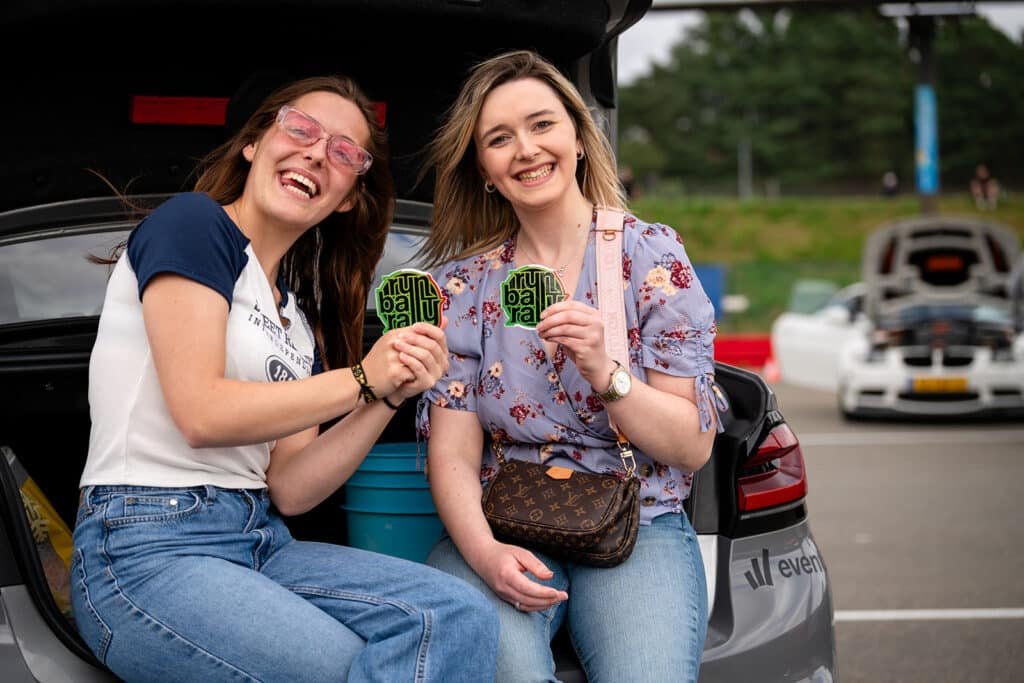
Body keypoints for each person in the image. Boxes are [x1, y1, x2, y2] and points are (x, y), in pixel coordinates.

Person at [72, 74, 498, 682]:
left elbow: (292, 489)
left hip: (258, 540)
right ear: (255, 144)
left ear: (348, 196)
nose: (318, 152)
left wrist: (386, 393)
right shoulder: (195, 225)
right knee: (344, 668)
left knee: (457, 616)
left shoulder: (295, 321)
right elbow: (200, 413)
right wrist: (361, 377)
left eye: (347, 153)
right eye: (300, 128)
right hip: (145, 546)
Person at [415, 50, 727, 682]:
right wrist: (485, 553)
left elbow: (691, 448)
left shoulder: (650, 256)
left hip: (639, 520)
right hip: (505, 518)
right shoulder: (464, 286)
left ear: (580, 139)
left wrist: (605, 369)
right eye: (499, 139)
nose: (526, 149)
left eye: (542, 125)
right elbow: (450, 455)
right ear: (484, 170)